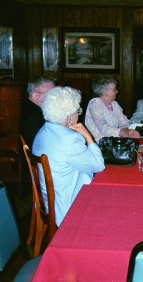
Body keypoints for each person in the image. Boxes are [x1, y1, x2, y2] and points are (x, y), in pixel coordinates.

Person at [33, 86, 105, 226]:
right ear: (70, 116)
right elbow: (99, 165)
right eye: (78, 110)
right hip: (68, 207)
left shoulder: (43, 131)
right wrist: (88, 136)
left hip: (51, 202)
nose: (79, 114)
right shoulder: (71, 139)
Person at [85, 75, 140, 143]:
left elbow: (124, 121)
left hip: (113, 143)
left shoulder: (114, 104)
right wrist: (122, 133)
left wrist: (126, 130)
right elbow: (102, 127)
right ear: (105, 92)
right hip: (98, 144)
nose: (117, 91)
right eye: (114, 89)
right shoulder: (94, 103)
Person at [20, 77, 55, 146]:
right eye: (50, 94)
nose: (54, 98)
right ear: (35, 95)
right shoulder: (32, 116)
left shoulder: (31, 109)